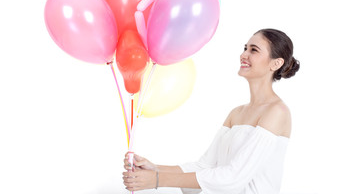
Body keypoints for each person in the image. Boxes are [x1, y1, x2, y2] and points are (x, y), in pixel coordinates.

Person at [122, 28, 300, 194]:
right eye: (245, 48)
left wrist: (158, 180)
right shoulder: (236, 113)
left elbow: (234, 177)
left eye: (254, 50)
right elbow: (205, 165)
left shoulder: (278, 112)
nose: (243, 55)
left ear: (276, 63)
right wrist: (155, 168)